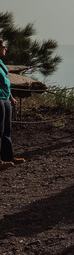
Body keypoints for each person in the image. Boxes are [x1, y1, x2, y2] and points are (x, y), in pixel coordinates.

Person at [0, 38, 22, 168]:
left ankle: (9, 157)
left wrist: (11, 97)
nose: (5, 48)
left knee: (7, 129)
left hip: (5, 98)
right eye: (3, 46)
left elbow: (5, 82)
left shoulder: (1, 63)